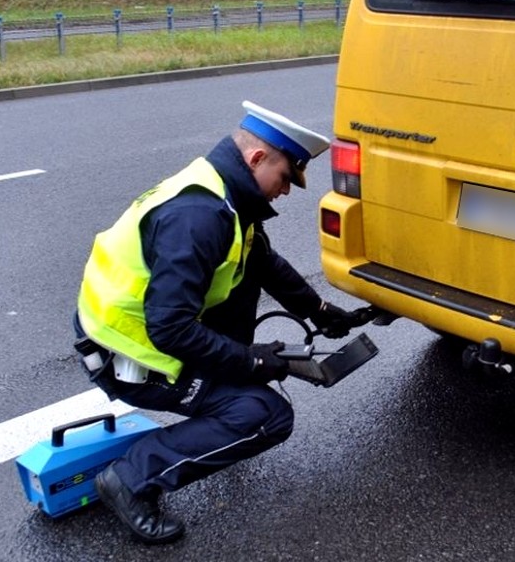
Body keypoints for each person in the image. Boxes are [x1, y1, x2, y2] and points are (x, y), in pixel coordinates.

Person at [72, 100, 361, 544]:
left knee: (243, 280)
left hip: (146, 332)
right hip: (129, 352)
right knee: (265, 414)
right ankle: (131, 478)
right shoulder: (199, 217)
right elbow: (169, 329)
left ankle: (221, 393)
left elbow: (261, 260)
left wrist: (318, 311)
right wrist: (254, 363)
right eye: (285, 178)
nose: (285, 191)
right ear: (257, 158)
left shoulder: (223, 193)